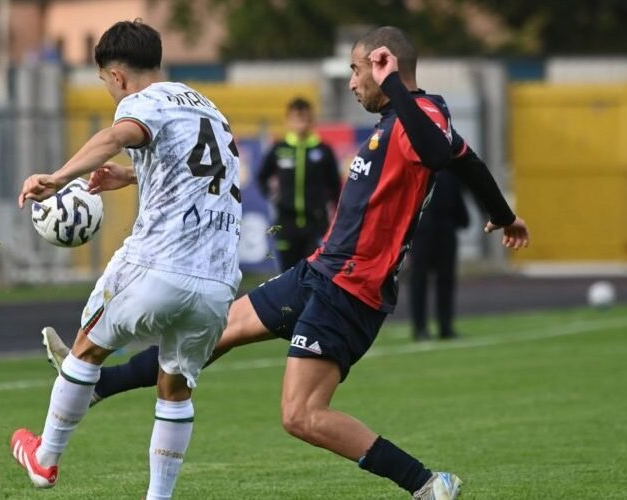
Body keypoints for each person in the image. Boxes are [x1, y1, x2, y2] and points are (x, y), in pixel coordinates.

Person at [43, 26, 529, 500]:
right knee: (223, 329)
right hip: (320, 271)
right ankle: (99, 383)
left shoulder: (421, 114)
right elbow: (468, 161)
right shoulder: (401, 120)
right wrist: (505, 217)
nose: (353, 82)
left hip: (352, 289)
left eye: (358, 71)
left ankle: (426, 484)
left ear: (385, 68)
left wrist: (395, 84)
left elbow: (440, 153)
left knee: (301, 415)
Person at [10, 21, 243, 499]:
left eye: (104, 82)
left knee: (87, 350)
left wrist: (56, 177)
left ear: (116, 76)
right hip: (218, 279)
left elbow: (118, 135)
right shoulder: (209, 109)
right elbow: (200, 170)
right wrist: (130, 176)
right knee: (175, 386)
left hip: (158, 264)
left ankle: (45, 458)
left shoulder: (141, 103)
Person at [257, 98, 342, 271]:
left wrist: (336, 216)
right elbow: (261, 176)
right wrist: (273, 196)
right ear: (288, 120)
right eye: (297, 118)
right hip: (286, 222)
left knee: (314, 272)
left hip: (316, 223)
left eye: (305, 118)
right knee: (287, 274)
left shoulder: (324, 150)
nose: (301, 123)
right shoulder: (279, 149)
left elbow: (335, 186)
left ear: (312, 120)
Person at [409, 170, 469, 341]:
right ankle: (420, 327)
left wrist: (461, 218)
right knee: (419, 280)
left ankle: (445, 326)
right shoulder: (418, 167)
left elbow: (457, 193)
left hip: (444, 228)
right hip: (422, 230)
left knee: (446, 279)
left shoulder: (448, 168)